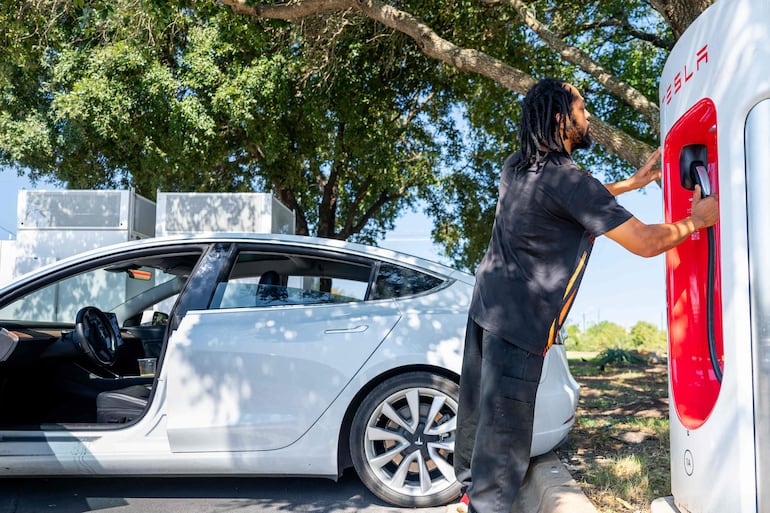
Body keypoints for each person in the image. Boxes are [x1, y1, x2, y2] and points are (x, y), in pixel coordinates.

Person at [448, 78, 719, 513]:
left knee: (476, 421)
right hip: (522, 322)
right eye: (581, 107)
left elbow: (564, 199)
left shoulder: (517, 166)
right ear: (561, 118)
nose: (588, 114)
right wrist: (698, 220)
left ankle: (465, 497)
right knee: (503, 448)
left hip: (485, 310)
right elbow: (646, 242)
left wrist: (627, 186)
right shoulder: (570, 182)